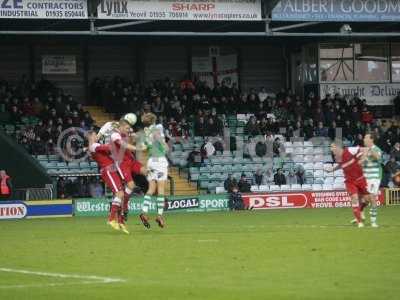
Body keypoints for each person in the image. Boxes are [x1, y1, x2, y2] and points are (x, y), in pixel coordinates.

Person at [88, 132, 127, 233]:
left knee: (121, 194)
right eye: (95, 135)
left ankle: (119, 220)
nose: (97, 136)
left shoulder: (95, 146)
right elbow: (108, 148)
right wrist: (114, 141)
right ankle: (111, 219)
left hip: (111, 170)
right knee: (120, 193)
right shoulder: (93, 145)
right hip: (108, 170)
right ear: (90, 137)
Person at [327, 141, 369, 228]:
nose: (331, 149)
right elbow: (340, 165)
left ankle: (360, 212)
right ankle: (359, 222)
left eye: (332, 147)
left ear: (338, 147)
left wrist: (363, 159)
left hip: (361, 179)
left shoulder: (350, 150)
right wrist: (332, 170)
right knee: (354, 198)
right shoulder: (337, 157)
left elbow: (365, 149)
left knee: (367, 200)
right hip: (350, 181)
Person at [139, 113, 169, 229]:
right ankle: (160, 215)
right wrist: (165, 145)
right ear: (154, 121)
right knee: (160, 189)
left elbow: (143, 148)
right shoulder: (157, 129)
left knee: (151, 189)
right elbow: (162, 143)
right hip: (160, 160)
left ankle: (144, 212)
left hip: (151, 161)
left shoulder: (145, 133)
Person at [356, 133, 382, 227]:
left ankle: (373, 221)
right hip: (365, 178)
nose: (363, 139)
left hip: (374, 177)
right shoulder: (363, 150)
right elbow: (359, 163)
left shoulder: (376, 149)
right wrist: (363, 158)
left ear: (371, 140)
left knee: (372, 198)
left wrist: (369, 150)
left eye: (365, 137)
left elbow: (378, 158)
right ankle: (360, 213)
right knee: (366, 199)